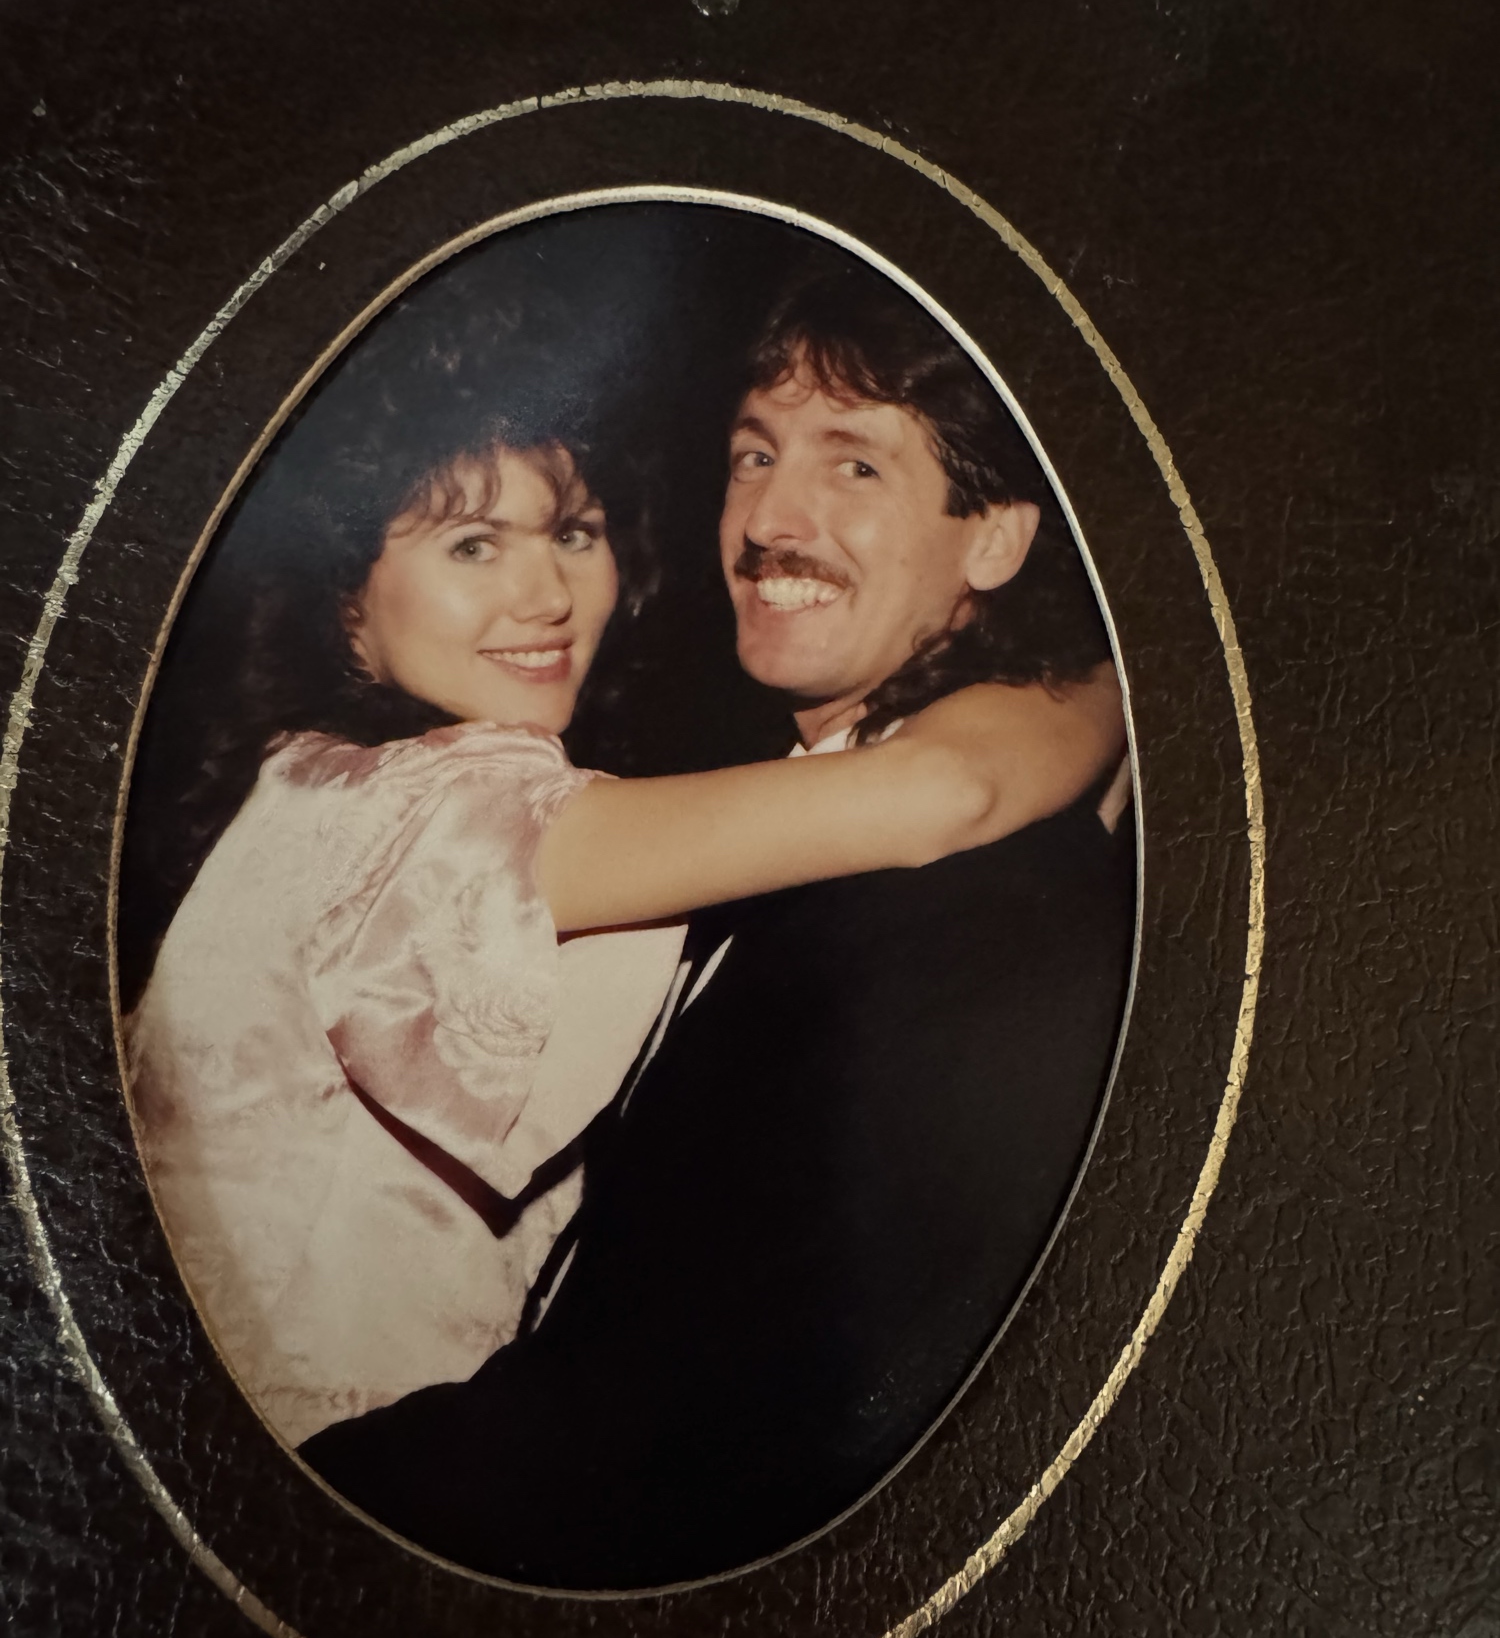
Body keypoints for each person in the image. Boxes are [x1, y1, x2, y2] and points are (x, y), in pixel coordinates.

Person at [125, 264, 1124, 1452]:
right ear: (345, 598)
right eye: (472, 543)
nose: (544, 593)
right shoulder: (390, 803)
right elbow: (944, 787)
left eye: (574, 532)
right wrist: (1121, 687)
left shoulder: (370, 791)